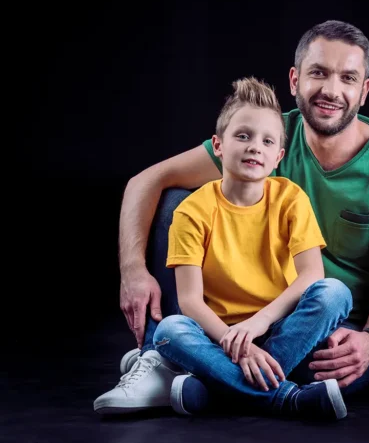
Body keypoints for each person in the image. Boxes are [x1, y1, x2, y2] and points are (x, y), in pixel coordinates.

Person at [105, 20, 369, 413]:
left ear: (364, 91)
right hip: (237, 320)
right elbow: (146, 181)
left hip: (328, 331)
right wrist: (133, 271)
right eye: (318, 73)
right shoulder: (266, 134)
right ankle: (265, 390)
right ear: (294, 80)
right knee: (177, 201)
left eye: (347, 78)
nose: (331, 90)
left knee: (339, 359)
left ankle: (197, 376)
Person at [95, 77, 352, 420]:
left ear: (277, 156)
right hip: (217, 337)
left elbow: (311, 275)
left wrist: (259, 325)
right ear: (218, 145)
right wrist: (241, 350)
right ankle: (287, 398)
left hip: (278, 330)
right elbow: (189, 301)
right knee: (171, 331)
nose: (254, 147)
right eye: (242, 136)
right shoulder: (192, 210)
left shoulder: (290, 198)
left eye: (266, 141)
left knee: (334, 292)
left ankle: (215, 389)